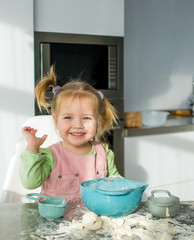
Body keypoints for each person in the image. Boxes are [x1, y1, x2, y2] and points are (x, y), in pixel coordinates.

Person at [20, 66, 122, 203]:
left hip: (94, 221)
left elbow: (116, 184)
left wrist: (125, 189)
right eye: (68, 117)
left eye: (86, 118)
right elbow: (29, 182)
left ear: (97, 121)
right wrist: (32, 146)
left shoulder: (104, 153)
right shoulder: (50, 155)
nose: (78, 125)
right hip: (56, 222)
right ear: (56, 120)